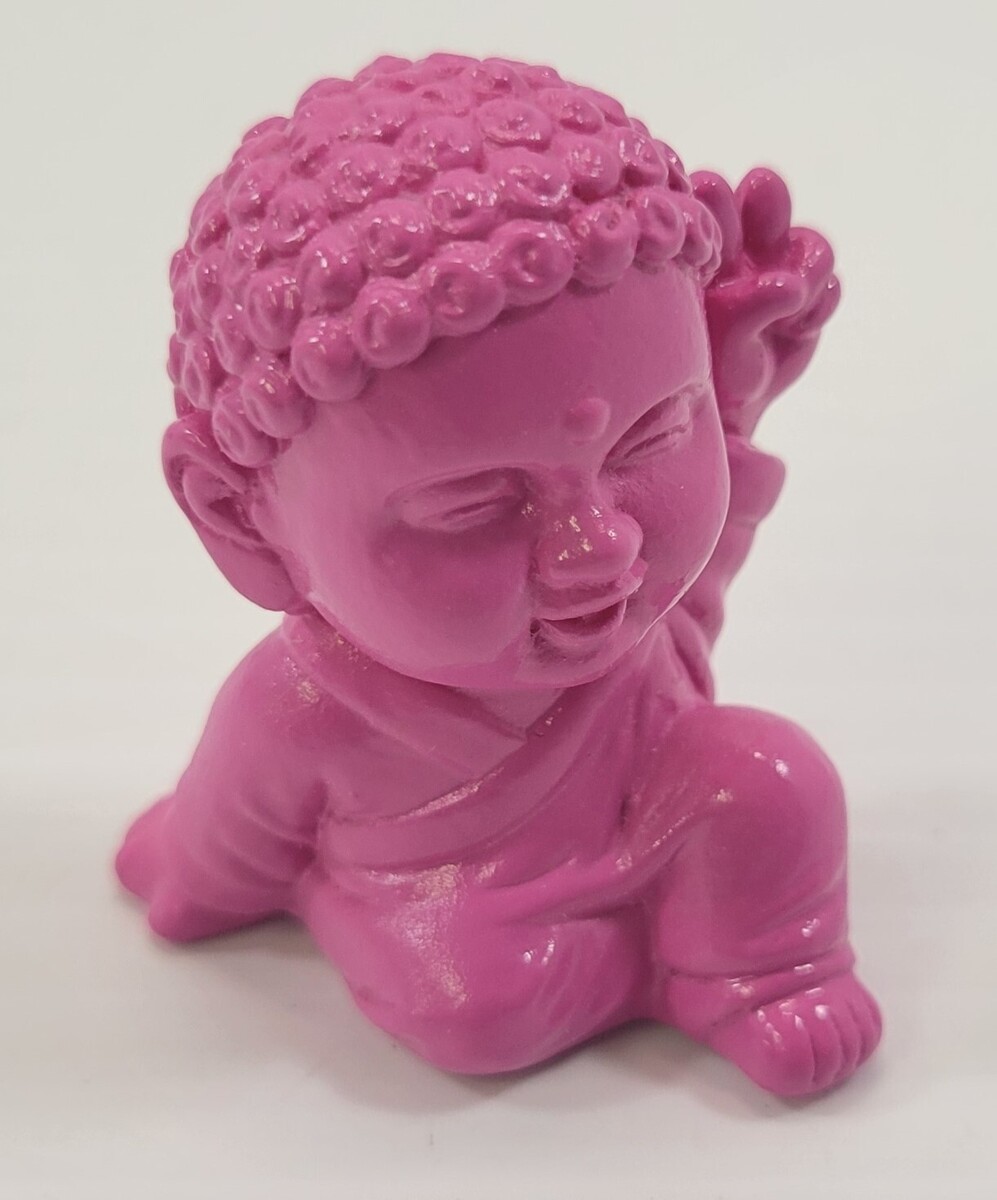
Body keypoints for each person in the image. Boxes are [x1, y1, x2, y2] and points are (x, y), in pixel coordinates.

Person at [116, 53, 881, 1096]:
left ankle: (753, 975)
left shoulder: (628, 633)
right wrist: (188, 880)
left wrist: (735, 406)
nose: (599, 545)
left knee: (771, 779)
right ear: (241, 519)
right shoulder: (304, 704)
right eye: (473, 506)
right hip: (473, 914)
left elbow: (693, 610)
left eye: (654, 436)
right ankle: (361, 905)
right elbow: (226, 832)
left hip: (657, 812)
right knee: (481, 1002)